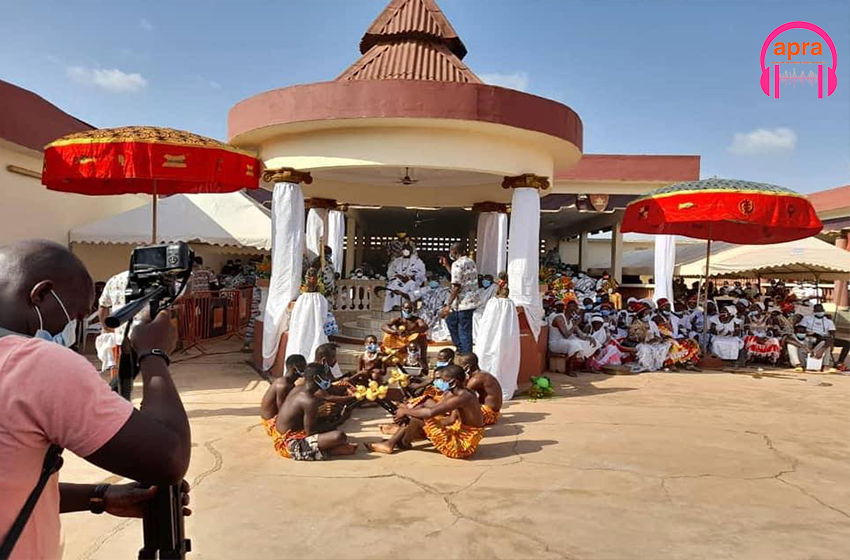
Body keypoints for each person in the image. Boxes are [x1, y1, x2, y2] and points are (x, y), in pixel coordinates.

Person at [0, 240, 191, 560]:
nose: (72, 327)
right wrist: (154, 352)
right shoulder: (34, 363)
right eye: (75, 314)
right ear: (41, 295)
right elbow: (167, 460)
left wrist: (100, 496)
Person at [367, 365, 484, 459]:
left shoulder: (462, 398)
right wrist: (410, 411)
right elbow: (449, 418)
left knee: (419, 417)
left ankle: (393, 443)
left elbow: (430, 413)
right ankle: (400, 438)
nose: (439, 383)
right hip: (458, 432)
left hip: (461, 445)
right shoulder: (460, 392)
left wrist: (405, 411)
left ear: (453, 382)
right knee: (421, 410)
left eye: (443, 381)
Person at [268, 363, 356, 460]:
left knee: (330, 421)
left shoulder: (298, 389)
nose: (328, 379)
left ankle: (328, 448)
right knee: (339, 436)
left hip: (282, 433)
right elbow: (311, 433)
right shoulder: (309, 401)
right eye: (324, 377)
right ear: (316, 378)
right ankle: (329, 451)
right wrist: (340, 420)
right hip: (289, 444)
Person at [439, 242, 479, 354]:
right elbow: (457, 277)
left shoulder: (457, 264)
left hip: (463, 303)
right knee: (451, 320)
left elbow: (456, 286)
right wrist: (446, 265)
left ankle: (466, 355)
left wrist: (448, 304)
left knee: (464, 331)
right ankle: (460, 347)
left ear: (454, 251)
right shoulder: (471, 262)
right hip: (471, 300)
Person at [260, 354, 306, 435]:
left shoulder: (288, 382)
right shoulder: (283, 385)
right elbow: (282, 412)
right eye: (303, 367)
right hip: (272, 423)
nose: (305, 370)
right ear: (294, 369)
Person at [381, 299, 429, 367]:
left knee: (422, 336)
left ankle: (423, 359)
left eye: (410, 308)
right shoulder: (398, 319)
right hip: (399, 340)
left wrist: (410, 332)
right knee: (387, 334)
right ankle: (386, 357)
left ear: (413, 309)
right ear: (402, 308)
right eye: (406, 308)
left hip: (411, 341)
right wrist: (395, 332)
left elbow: (424, 327)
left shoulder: (417, 319)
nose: (408, 310)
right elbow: (384, 326)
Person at [458, 353, 503, 425]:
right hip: (491, 412)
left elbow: (461, 395)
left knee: (456, 411)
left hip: (488, 414)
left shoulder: (477, 379)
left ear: (467, 367)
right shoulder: (481, 374)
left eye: (460, 366)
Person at [382, 243, 426, 312]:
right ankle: (395, 305)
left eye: (407, 250)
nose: (406, 251)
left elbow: (421, 273)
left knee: (412, 287)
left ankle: (409, 306)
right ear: (402, 251)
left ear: (411, 251)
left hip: (412, 281)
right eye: (404, 250)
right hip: (398, 280)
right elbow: (390, 272)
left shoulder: (417, 261)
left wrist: (410, 278)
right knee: (394, 285)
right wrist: (397, 276)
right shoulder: (397, 261)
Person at [798, 304, 838, 369]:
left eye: (821, 311)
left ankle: (825, 365)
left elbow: (832, 334)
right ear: (814, 311)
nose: (819, 312)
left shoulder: (829, 321)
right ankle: (802, 364)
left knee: (827, 342)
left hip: (823, 338)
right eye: (817, 311)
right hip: (810, 336)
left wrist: (832, 343)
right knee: (805, 340)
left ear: (824, 311)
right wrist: (807, 332)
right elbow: (800, 329)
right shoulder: (807, 318)